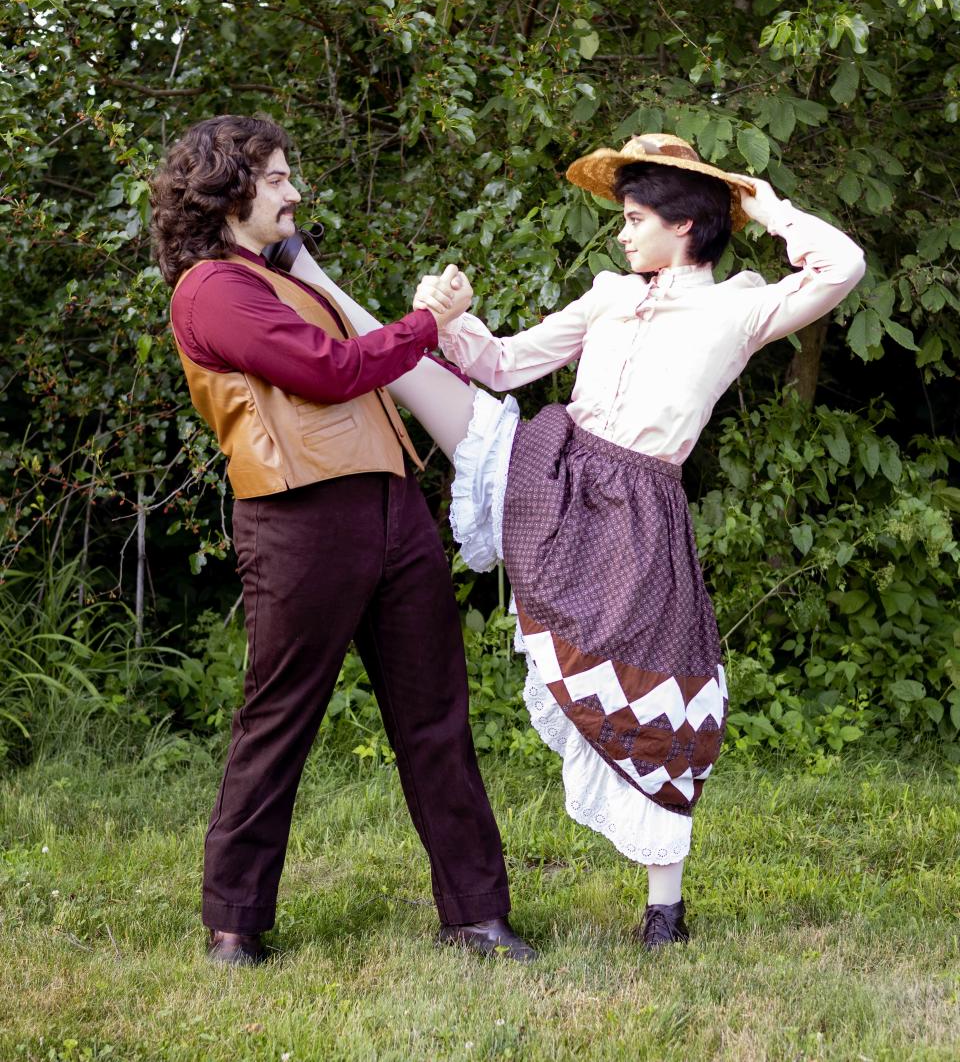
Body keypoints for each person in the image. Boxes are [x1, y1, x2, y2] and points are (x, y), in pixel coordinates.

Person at [407, 132, 867, 949]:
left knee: (661, 689)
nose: (622, 233)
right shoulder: (609, 296)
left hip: (640, 509)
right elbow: (506, 364)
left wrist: (768, 212)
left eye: (634, 217)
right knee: (475, 419)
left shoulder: (739, 308)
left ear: (683, 224)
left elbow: (842, 268)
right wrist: (447, 320)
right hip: (554, 476)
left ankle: (665, 909)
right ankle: (344, 315)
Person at [149, 114, 536, 965]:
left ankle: (477, 914)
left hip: (392, 507)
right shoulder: (212, 287)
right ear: (229, 190)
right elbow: (330, 373)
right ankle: (235, 926)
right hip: (299, 520)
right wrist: (425, 321)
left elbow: (346, 364)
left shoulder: (282, 280)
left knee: (436, 714)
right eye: (279, 178)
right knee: (279, 717)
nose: (293, 191)